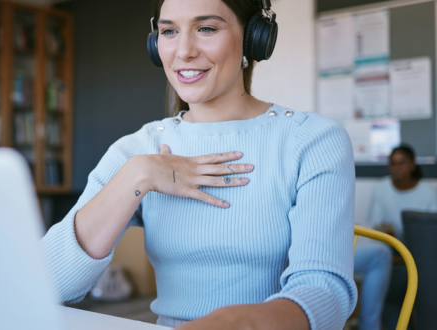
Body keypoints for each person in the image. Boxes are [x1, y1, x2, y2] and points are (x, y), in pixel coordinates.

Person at [42, 0, 357, 329]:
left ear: (253, 38)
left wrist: (241, 323)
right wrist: (139, 173)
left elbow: (326, 292)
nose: (184, 51)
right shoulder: (138, 150)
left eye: (206, 28)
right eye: (169, 31)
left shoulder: (312, 141)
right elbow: (50, 282)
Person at [354, 145, 437, 330]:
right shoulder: (382, 188)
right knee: (392, 275)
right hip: (392, 254)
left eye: (402, 162)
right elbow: (377, 227)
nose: (396, 167)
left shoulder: (428, 193)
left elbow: (431, 234)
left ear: (413, 165)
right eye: (392, 163)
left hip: (422, 255)